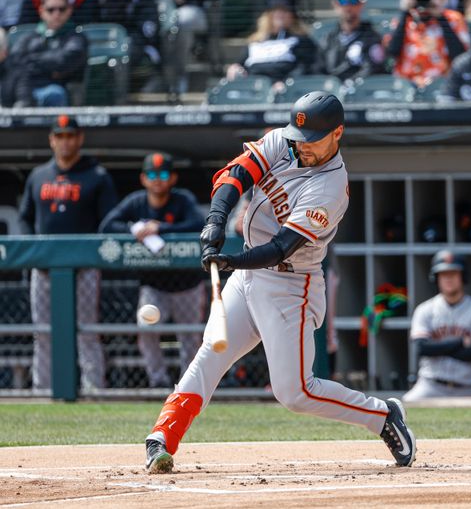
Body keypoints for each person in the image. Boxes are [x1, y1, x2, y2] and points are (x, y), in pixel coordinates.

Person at [143, 91, 416, 474]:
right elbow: (234, 175)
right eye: (297, 137)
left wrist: (232, 259)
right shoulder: (282, 141)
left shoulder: (331, 186)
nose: (301, 146)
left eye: (312, 140)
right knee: (210, 354)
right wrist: (214, 223)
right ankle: (162, 437)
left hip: (292, 287)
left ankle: (383, 415)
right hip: (249, 276)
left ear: (337, 133)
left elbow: (283, 247)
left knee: (295, 393)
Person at [18, 115, 118, 392]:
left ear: (80, 138)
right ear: (51, 140)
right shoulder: (38, 175)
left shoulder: (96, 175)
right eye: (60, 136)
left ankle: (93, 386)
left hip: (84, 266)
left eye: (70, 135)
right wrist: (33, 250)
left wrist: (93, 253)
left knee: (87, 329)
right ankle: (43, 388)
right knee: (43, 332)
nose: (65, 141)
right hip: (44, 266)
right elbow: (25, 217)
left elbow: (108, 220)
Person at [99, 152, 205, 388]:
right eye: (152, 175)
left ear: (173, 178)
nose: (158, 179)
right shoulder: (136, 202)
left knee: (190, 338)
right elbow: (107, 225)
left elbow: (198, 224)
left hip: (187, 284)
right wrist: (134, 228)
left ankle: (189, 386)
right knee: (145, 330)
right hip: (154, 284)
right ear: (144, 178)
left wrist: (161, 228)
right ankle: (158, 381)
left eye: (163, 174)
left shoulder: (182, 199)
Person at [403, 251, 471, 401]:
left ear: (463, 276)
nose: (448, 278)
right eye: (443, 274)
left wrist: (437, 348)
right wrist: (461, 342)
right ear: (436, 278)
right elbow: (422, 348)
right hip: (430, 385)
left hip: (467, 388)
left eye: (453, 273)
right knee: (406, 406)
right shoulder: (425, 310)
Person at [1, 0, 88, 108]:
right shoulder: (28, 38)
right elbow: (13, 62)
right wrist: (49, 67)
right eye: (51, 10)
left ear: (69, 10)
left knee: (54, 94)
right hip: (22, 89)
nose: (56, 14)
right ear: (41, 11)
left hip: (56, 89)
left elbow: (65, 61)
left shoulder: (76, 38)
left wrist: (31, 61)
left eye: (61, 9)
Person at [385, 0, 470, 88]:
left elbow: (460, 57)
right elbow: (392, 54)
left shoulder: (453, 19)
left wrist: (440, 17)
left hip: (443, 86)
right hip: (406, 87)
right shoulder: (401, 21)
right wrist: (405, 12)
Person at [225, 0, 317, 83]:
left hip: (283, 89)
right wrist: (234, 68)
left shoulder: (301, 40)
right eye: (275, 10)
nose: (279, 14)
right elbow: (240, 64)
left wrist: (286, 83)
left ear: (293, 16)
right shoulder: (255, 41)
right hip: (253, 86)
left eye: (285, 11)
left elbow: (305, 68)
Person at [96, 0, 161, 92]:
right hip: (108, 43)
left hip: (139, 45)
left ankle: (119, 95)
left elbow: (148, 30)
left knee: (123, 54)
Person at [158, 0, 215, 101]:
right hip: (161, 10)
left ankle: (178, 78)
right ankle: (160, 75)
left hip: (191, 9)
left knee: (181, 22)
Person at [315, 0, 385, 81]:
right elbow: (319, 71)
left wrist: (350, 85)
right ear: (335, 4)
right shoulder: (327, 40)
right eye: (343, 1)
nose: (348, 7)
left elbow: (374, 70)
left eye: (353, 1)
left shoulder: (373, 38)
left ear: (361, 4)